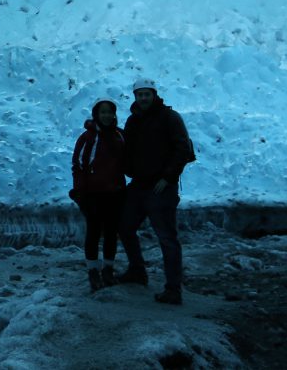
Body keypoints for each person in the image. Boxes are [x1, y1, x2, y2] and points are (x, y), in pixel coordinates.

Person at [117, 78, 195, 305]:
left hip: (161, 188)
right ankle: (137, 271)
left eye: (146, 94)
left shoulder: (170, 118)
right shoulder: (133, 121)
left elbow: (182, 148)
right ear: (135, 96)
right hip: (139, 185)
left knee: (167, 238)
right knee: (124, 226)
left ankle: (173, 289)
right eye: (139, 94)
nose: (143, 98)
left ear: (154, 95)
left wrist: (168, 177)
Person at [70, 99, 126, 292]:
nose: (107, 116)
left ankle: (108, 270)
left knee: (111, 233)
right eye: (103, 112)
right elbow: (78, 165)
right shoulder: (87, 138)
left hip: (116, 193)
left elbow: (129, 161)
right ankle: (93, 272)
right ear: (96, 115)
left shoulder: (120, 135)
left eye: (110, 112)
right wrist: (80, 192)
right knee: (93, 232)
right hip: (93, 194)